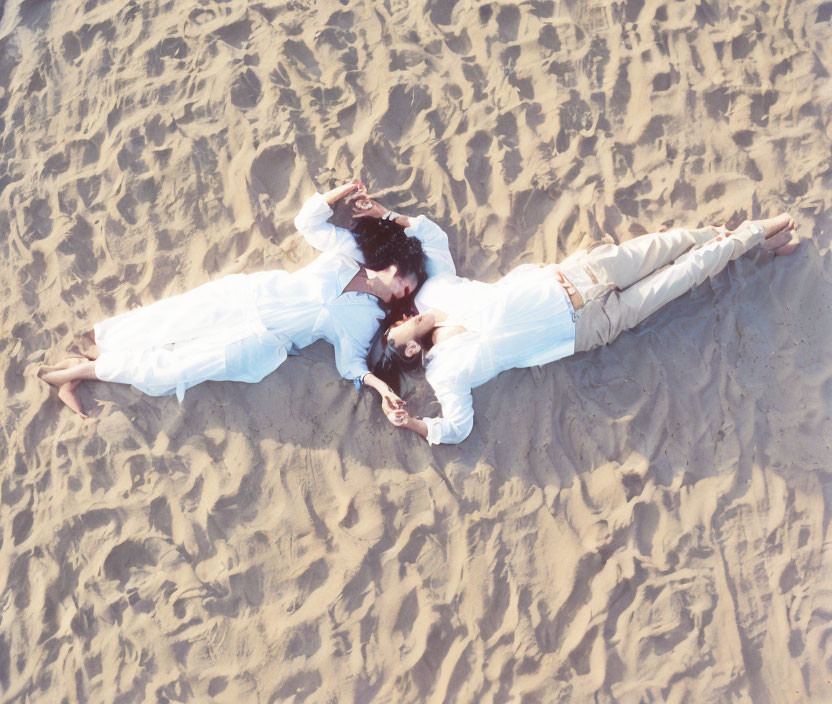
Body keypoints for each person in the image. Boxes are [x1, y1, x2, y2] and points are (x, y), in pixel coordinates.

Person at [38, 180, 452, 418]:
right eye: (410, 286)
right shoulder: (350, 254)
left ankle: (83, 372)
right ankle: (93, 355)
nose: (407, 296)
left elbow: (352, 365)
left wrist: (381, 389)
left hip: (256, 345)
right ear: (398, 270)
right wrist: (346, 191)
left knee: (174, 368)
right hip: (244, 297)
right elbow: (307, 221)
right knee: (165, 322)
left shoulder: (367, 319)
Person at [374, 214, 800, 444]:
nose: (403, 318)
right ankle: (756, 234)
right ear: (411, 352)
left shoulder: (434, 291)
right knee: (682, 276)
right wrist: (411, 422)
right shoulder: (445, 373)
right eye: (399, 331)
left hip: (579, 274)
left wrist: (385, 215)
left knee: (674, 242)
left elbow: (431, 237)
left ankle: (752, 240)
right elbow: (457, 428)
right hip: (590, 326)